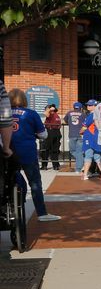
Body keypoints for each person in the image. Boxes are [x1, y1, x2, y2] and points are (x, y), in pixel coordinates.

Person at [9, 89, 61, 221]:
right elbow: (43, 134)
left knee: (8, 179)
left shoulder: (3, 112)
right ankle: (42, 213)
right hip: (27, 151)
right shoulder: (31, 114)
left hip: (7, 152)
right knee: (35, 183)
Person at [63, 102, 86, 173]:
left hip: (72, 134)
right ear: (81, 108)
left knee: (72, 151)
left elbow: (64, 121)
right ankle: (83, 162)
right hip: (81, 135)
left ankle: (79, 168)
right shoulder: (83, 114)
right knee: (79, 153)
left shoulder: (69, 113)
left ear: (74, 107)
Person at [41, 104, 62, 170]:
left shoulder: (51, 114)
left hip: (51, 132)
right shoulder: (56, 115)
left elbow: (45, 114)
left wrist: (49, 109)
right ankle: (56, 165)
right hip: (56, 132)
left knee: (46, 149)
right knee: (54, 150)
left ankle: (44, 165)